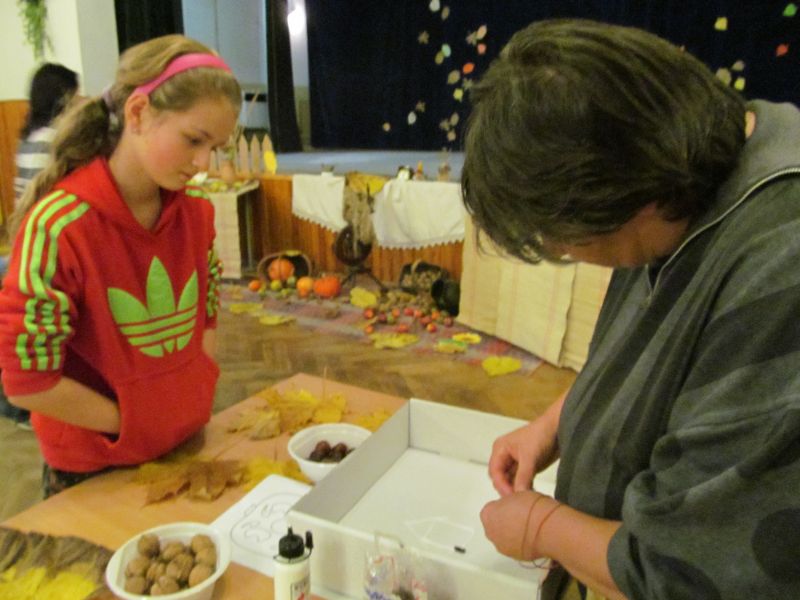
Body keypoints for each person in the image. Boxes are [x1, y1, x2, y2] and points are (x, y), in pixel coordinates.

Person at [463, 19, 800, 600]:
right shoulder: (686, 169)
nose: (564, 250)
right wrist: (556, 423)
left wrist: (541, 526)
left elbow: (694, 572)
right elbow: (664, 353)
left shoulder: (780, 262)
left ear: (635, 199)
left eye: (561, 238)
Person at [0, 34, 241, 498]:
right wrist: (136, 419)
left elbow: (206, 313)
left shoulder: (197, 213)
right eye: (193, 140)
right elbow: (27, 382)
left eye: (216, 147)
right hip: (93, 471)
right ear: (138, 113)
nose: (203, 163)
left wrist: (192, 390)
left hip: (182, 444)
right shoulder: (59, 226)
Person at [1, 63, 80, 429]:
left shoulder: (28, 138)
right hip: (39, 246)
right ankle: (25, 407)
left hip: (22, 240)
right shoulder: (54, 139)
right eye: (74, 94)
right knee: (37, 332)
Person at [14, 63, 80, 207]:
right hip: (42, 213)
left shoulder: (28, 136)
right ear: (64, 100)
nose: (78, 104)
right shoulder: (54, 138)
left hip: (26, 214)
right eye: (76, 97)